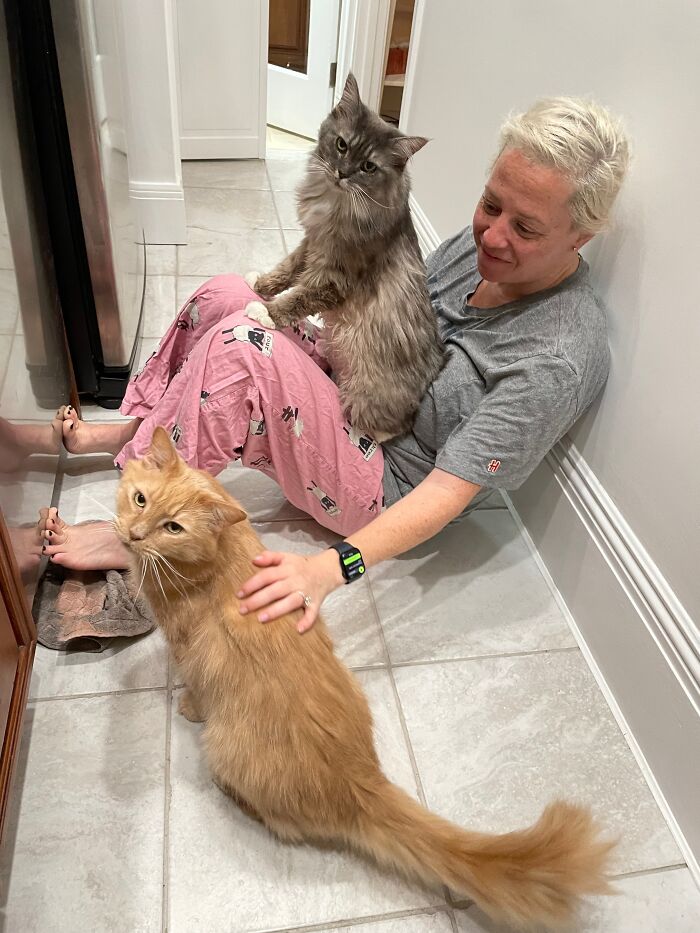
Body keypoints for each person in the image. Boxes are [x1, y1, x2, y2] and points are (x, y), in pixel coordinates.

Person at [40, 96, 629, 634]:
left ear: (582, 234)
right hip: (366, 384)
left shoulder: (557, 357)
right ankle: (139, 434)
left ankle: (140, 539)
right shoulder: (484, 251)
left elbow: (448, 493)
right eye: (490, 204)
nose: (492, 236)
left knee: (245, 353)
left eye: (524, 227)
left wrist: (328, 569)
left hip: (392, 478)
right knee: (229, 295)